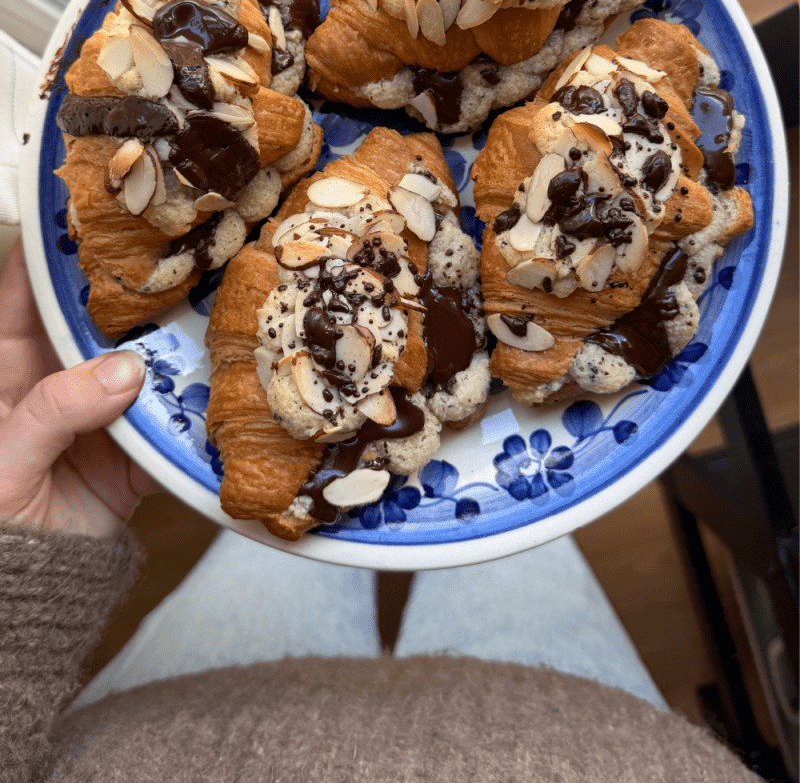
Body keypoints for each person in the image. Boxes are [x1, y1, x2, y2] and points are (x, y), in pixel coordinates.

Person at [0, 238, 759, 783]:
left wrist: (22, 593)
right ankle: (522, 536)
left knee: (267, 552)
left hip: (174, 725)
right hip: (598, 745)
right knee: (522, 548)